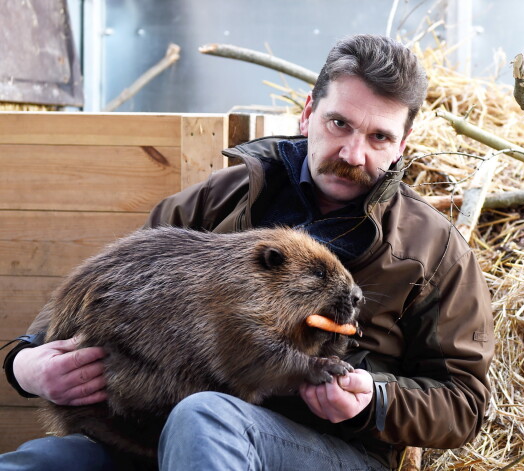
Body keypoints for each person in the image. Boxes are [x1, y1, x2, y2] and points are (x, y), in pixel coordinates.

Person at [1, 34, 494, 470]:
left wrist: (375, 402)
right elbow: (106, 286)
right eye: (339, 123)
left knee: (206, 417)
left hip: (321, 448)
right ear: (307, 113)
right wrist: (26, 364)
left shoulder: (433, 249)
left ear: (402, 145)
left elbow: (465, 404)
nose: (352, 155)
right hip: (149, 432)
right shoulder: (218, 200)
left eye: (378, 137)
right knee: (43, 461)